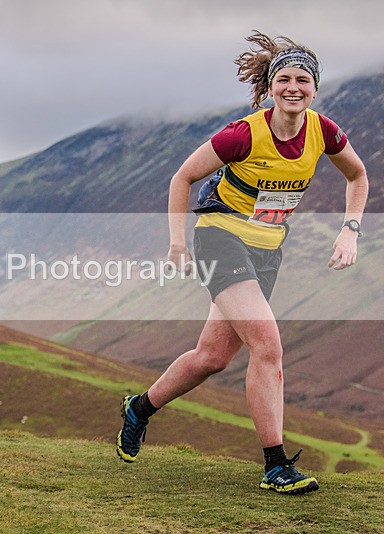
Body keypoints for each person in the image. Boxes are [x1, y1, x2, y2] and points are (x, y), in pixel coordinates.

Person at [115, 31, 368, 494]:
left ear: (315, 89)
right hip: (220, 238)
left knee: (211, 358)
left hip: (267, 249)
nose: (294, 88)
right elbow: (183, 177)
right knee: (268, 344)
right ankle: (275, 465)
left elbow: (357, 174)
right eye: (285, 79)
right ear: (271, 88)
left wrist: (350, 229)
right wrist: (177, 244)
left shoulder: (323, 131)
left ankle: (139, 409)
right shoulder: (244, 133)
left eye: (304, 80)